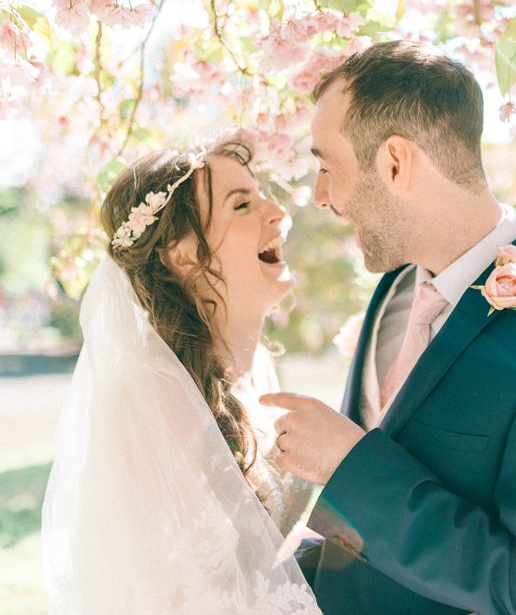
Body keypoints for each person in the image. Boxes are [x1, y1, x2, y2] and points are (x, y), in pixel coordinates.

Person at [261, 40, 516, 614]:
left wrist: (351, 468)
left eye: (325, 167)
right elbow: (361, 550)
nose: (320, 197)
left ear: (395, 163)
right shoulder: (393, 293)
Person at [42, 133, 322, 614]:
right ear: (183, 253)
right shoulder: (154, 394)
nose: (278, 212)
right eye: (241, 205)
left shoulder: (257, 366)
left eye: (260, 195)